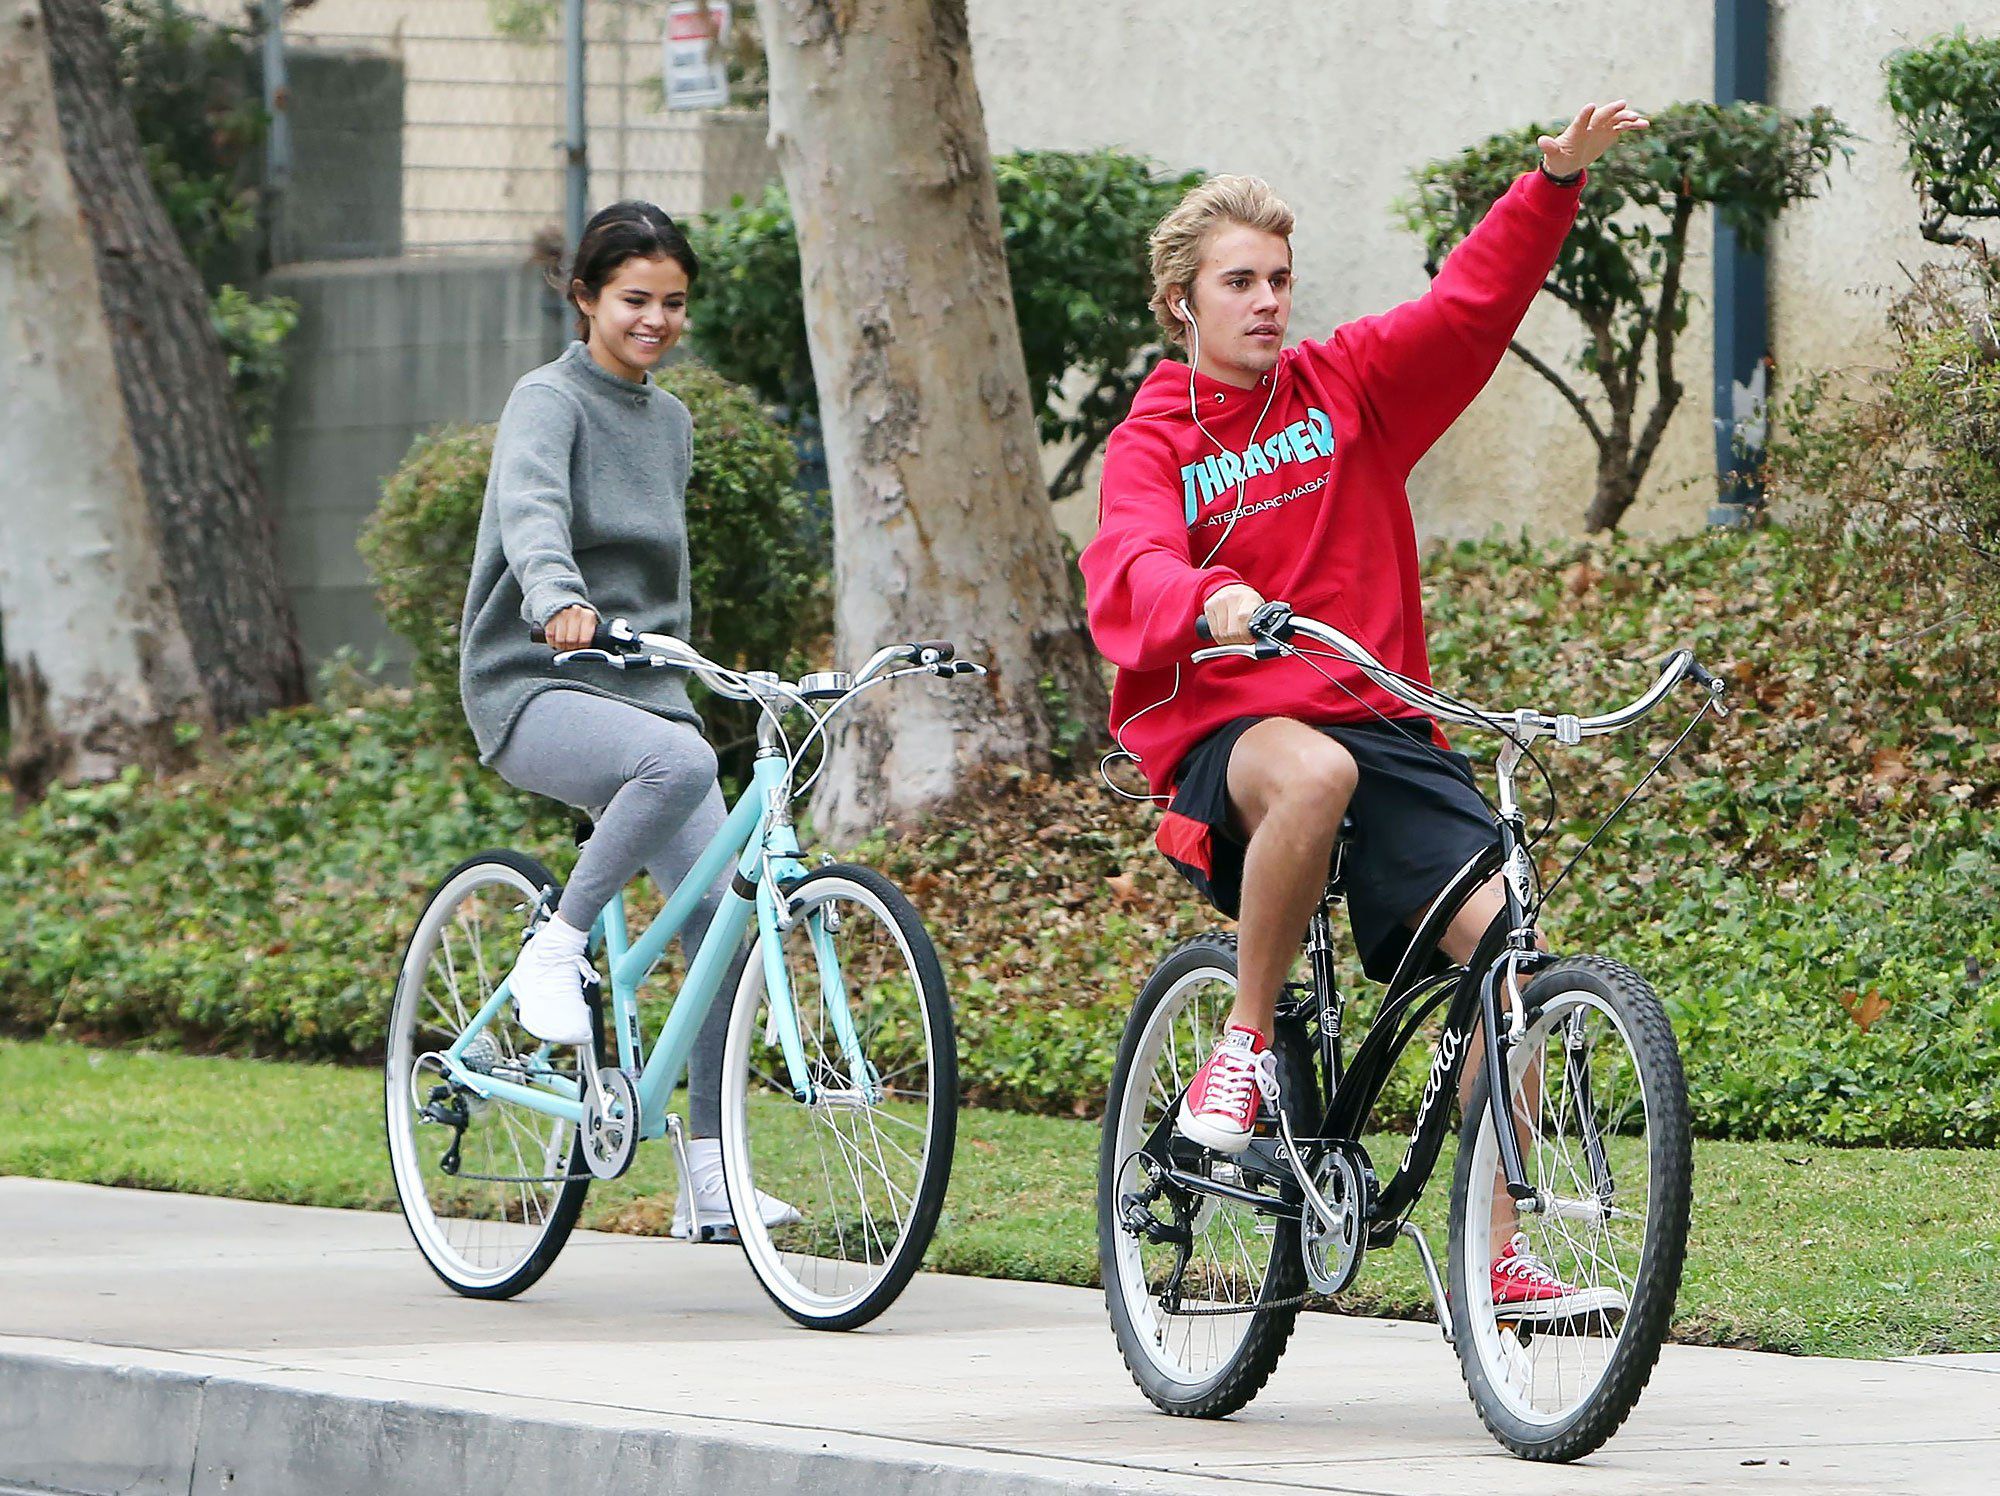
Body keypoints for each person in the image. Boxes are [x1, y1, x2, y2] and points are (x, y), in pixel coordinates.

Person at [1080, 102, 1648, 1316]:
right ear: (1182, 299)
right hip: (1234, 728)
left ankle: (1495, 1256)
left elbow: (1464, 309)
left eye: (1279, 278)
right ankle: (1239, 1048)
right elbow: (1124, 563)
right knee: (1311, 776)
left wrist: (1549, 184)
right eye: (1239, 280)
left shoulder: (1346, 389)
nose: (1268, 299)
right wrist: (1210, 599)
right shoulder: (1152, 437)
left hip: (1380, 720)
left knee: (1509, 958)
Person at [457, 200, 794, 1243]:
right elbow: (531, 513)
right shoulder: (547, 400)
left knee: (722, 927)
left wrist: (691, 666)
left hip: (642, 690)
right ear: (586, 299)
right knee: (677, 758)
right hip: (534, 679)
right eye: (634, 299)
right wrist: (556, 599)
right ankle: (552, 950)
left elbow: (667, 578)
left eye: (673, 302)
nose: (655, 319)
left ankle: (706, 1176)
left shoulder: (672, 422)